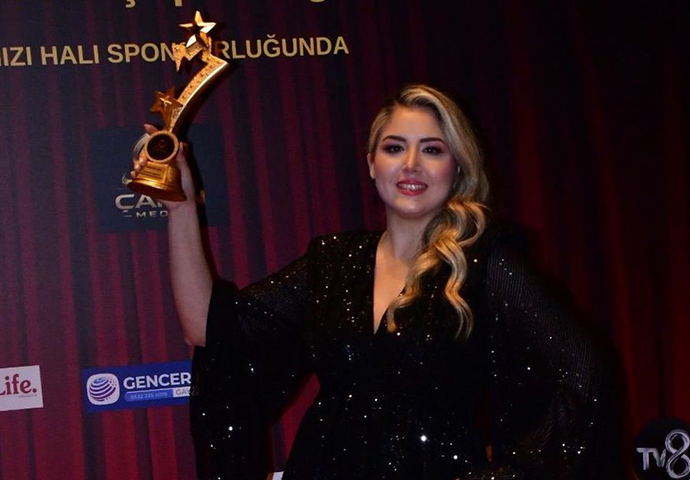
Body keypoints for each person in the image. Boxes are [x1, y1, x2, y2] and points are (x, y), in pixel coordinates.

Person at [132, 85, 619, 480]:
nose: (411, 164)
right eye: (394, 147)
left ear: (457, 167)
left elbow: (585, 374)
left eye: (432, 149)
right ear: (371, 163)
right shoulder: (332, 262)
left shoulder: (487, 263)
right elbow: (208, 328)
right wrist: (180, 207)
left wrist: (508, 474)